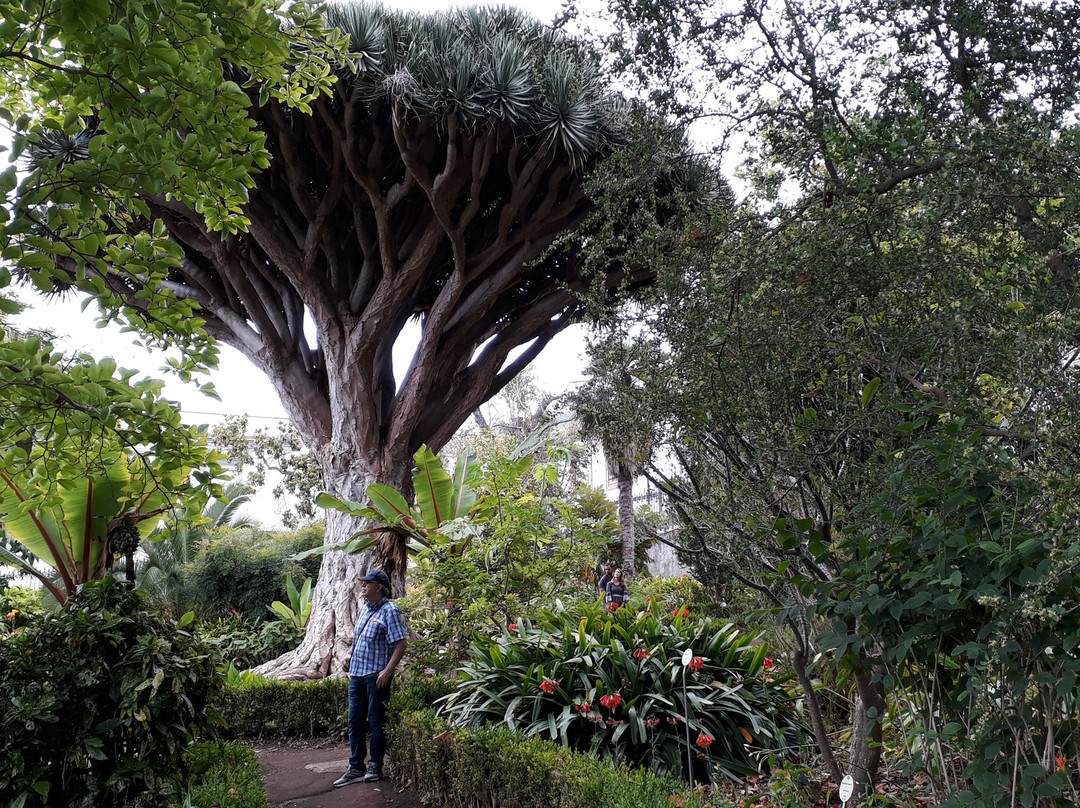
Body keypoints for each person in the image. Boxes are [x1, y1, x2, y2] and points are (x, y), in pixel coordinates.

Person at [333, 569, 408, 788]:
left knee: (376, 721)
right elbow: (358, 639)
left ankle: (375, 764)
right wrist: (348, 655)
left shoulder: (390, 610)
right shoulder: (365, 608)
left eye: (367, 583)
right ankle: (356, 767)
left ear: (379, 587)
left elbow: (401, 643)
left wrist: (387, 671)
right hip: (356, 673)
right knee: (354, 721)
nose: (363, 586)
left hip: (376, 675)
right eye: (363, 583)